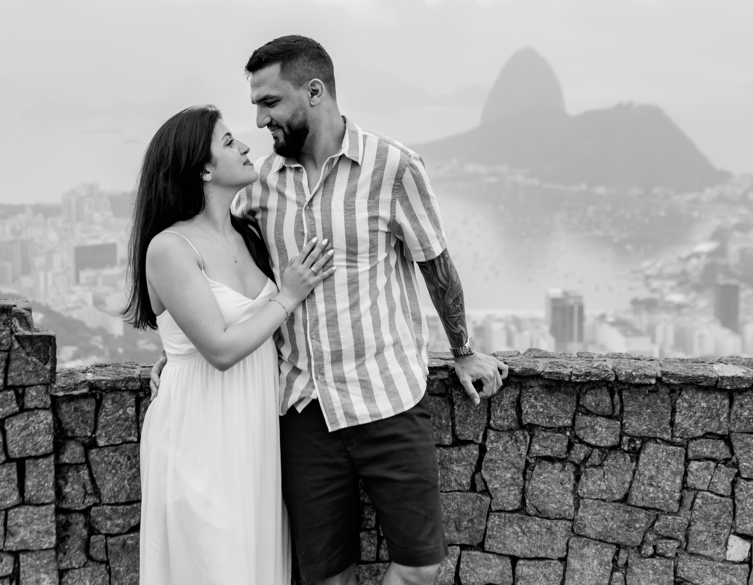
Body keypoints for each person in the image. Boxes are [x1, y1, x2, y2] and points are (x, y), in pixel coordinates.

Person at [154, 35, 509, 585]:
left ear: (314, 92)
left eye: (269, 102)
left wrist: (462, 351)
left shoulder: (393, 167)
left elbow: (436, 263)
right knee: (325, 578)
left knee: (421, 568)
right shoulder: (260, 185)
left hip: (387, 397)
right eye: (254, 105)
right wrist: (178, 351)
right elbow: (210, 263)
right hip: (303, 410)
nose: (259, 119)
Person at [128, 105, 336, 585]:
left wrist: (173, 350)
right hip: (200, 436)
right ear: (202, 168)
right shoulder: (169, 247)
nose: (245, 145)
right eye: (227, 142)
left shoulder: (247, 232)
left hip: (255, 438)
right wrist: (287, 294)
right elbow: (219, 349)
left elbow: (233, 324)